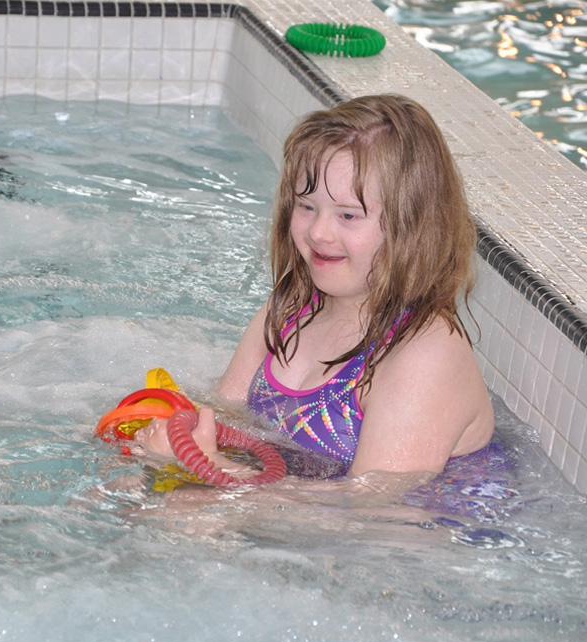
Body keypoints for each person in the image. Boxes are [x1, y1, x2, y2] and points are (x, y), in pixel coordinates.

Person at [138, 94, 494, 480]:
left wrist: (212, 470)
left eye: (347, 215)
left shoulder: (425, 353)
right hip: (291, 508)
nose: (318, 232)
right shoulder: (292, 308)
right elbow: (226, 413)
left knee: (184, 517)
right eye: (306, 206)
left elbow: (375, 514)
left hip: (408, 533)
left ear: (411, 226)